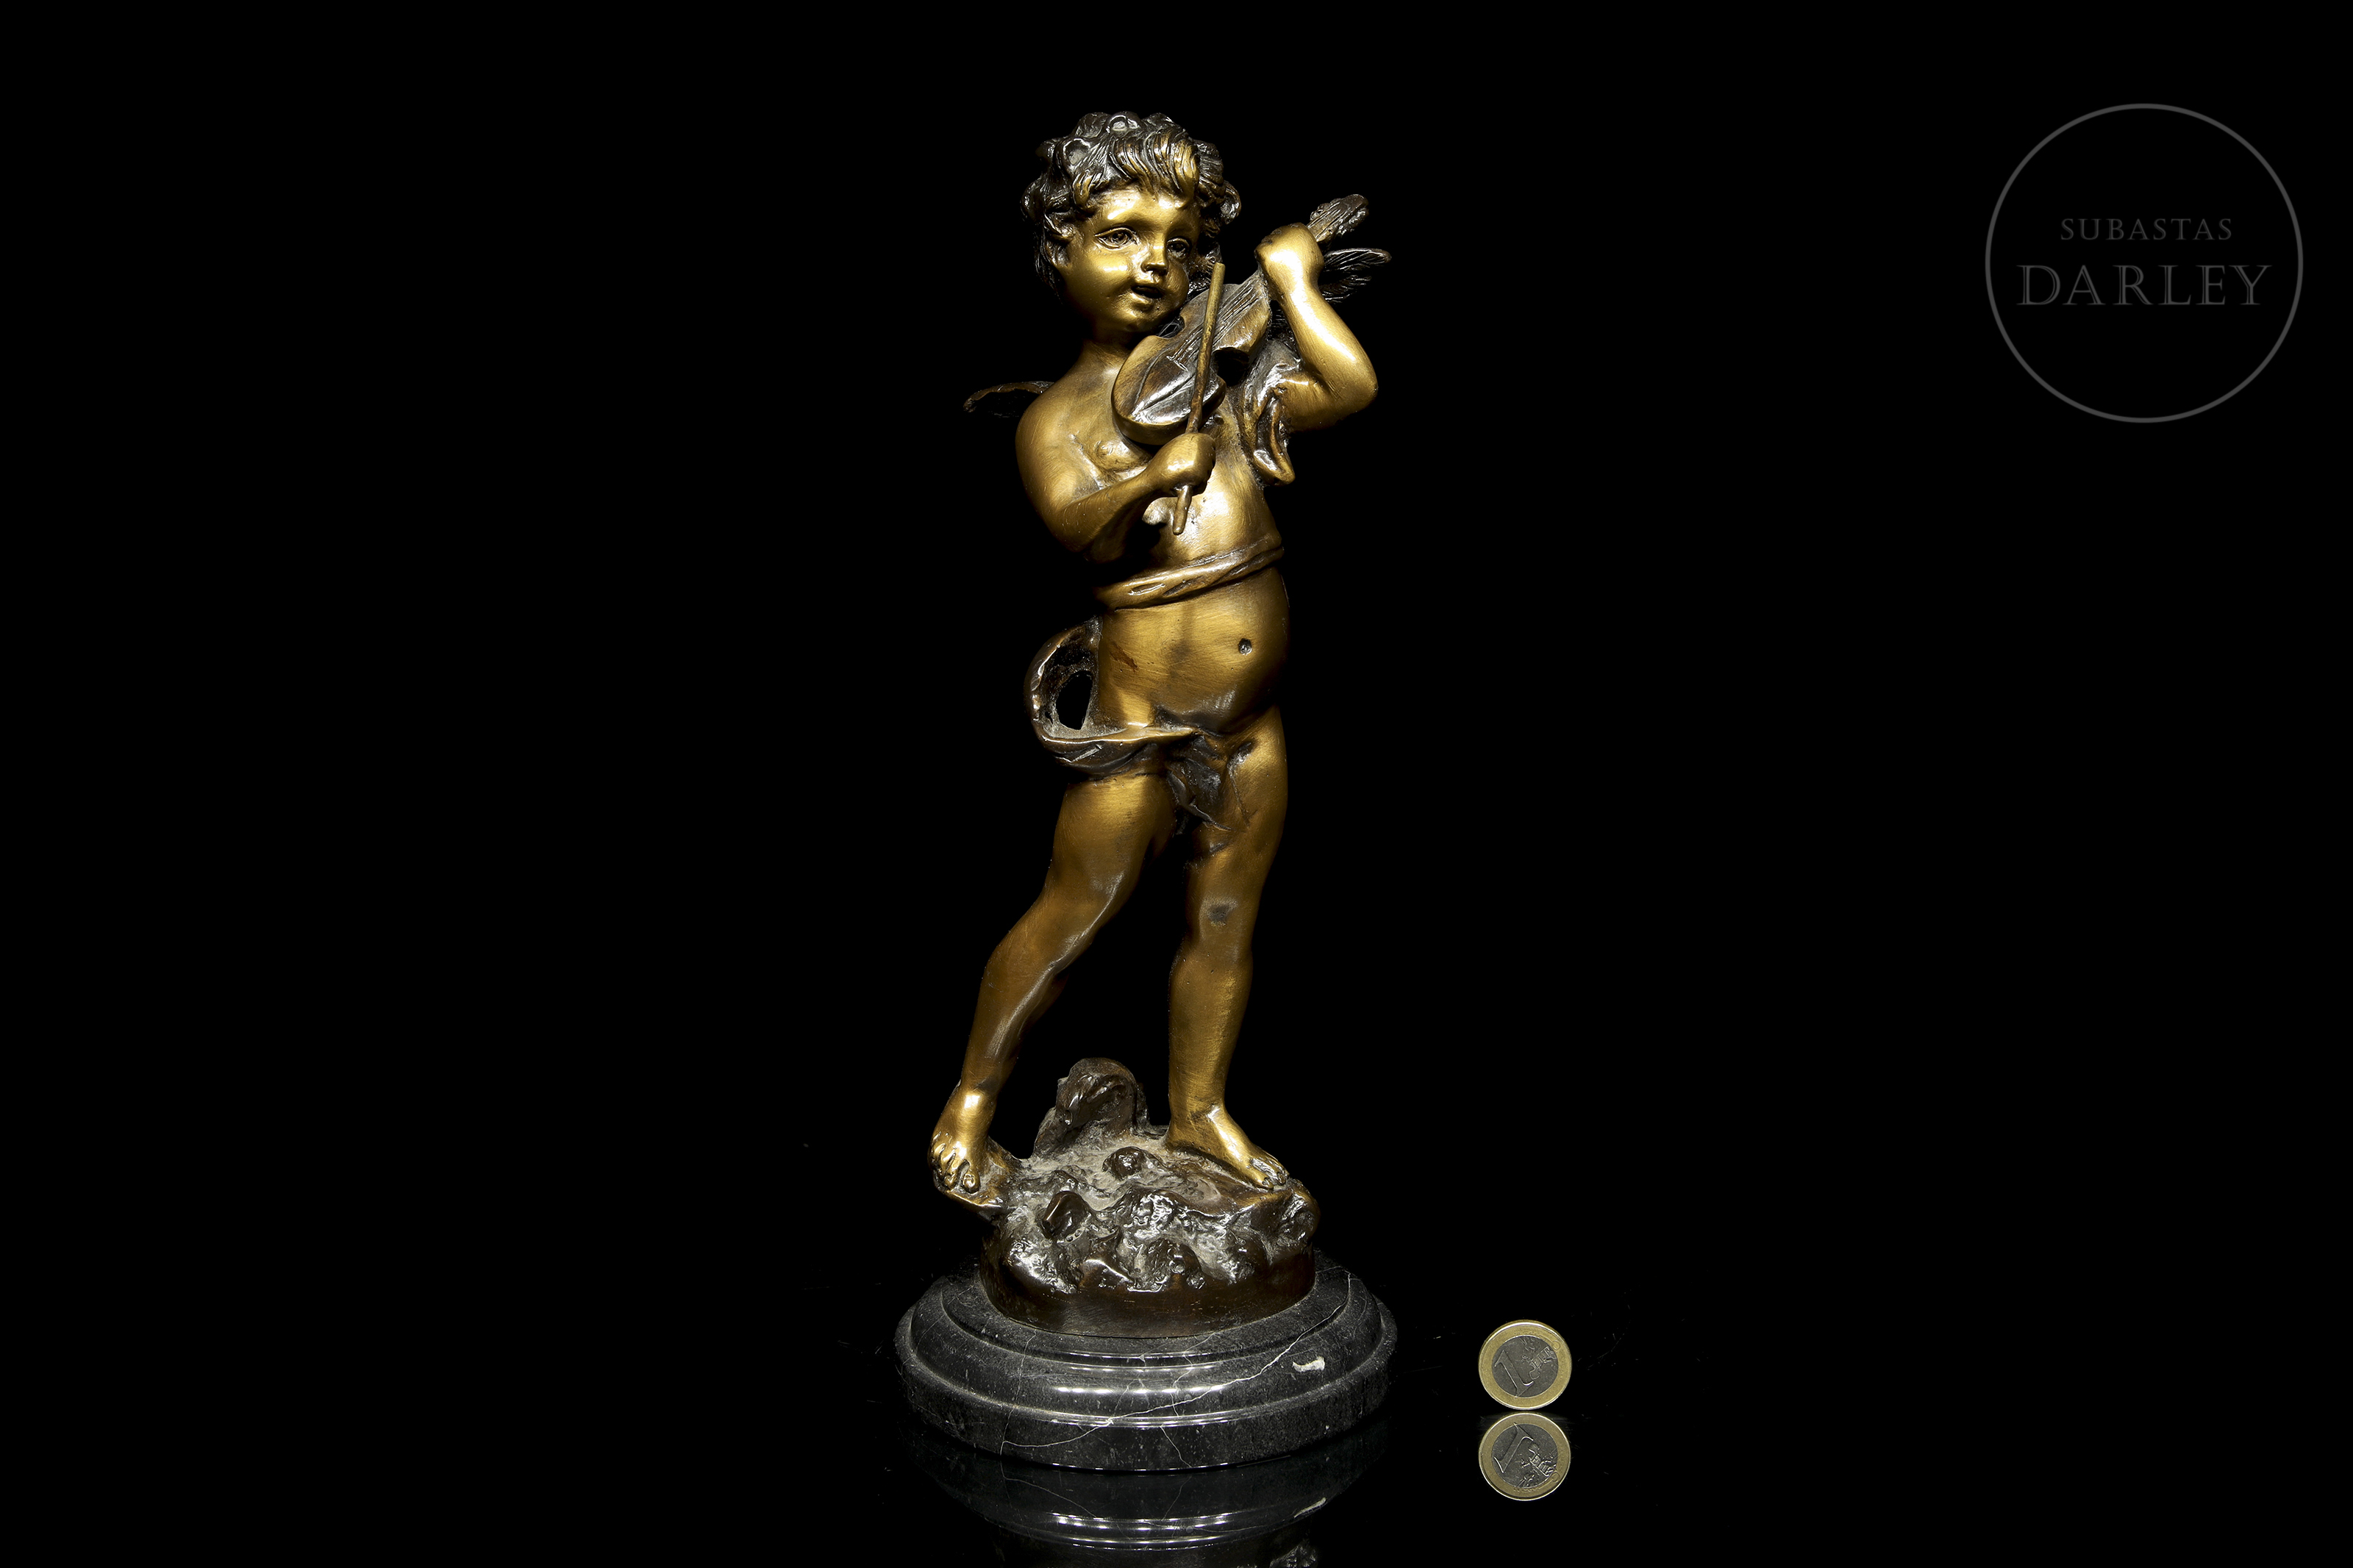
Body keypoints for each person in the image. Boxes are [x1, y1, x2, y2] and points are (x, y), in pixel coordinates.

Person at [928, 112, 1378, 1209]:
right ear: (1061, 252)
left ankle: (1201, 1109)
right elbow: (1079, 529)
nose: (1156, 265)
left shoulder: (1220, 376)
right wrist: (1149, 475)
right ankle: (970, 1102)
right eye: (1122, 235)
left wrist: (1292, 283)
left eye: (1180, 245)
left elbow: (1349, 388)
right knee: (1072, 915)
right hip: (1140, 730)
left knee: (1224, 919)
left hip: (1250, 724)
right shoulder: (1059, 416)